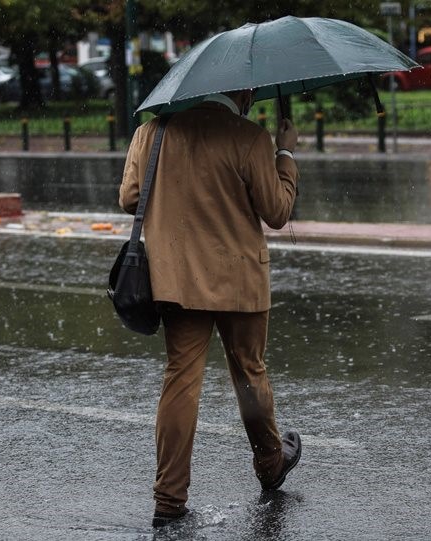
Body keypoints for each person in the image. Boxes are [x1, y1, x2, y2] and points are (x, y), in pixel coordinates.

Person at [118, 88, 302, 529]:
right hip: (240, 278)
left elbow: (128, 199)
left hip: (177, 277)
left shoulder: (151, 132)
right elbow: (277, 211)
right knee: (248, 372)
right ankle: (270, 463)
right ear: (240, 91)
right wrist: (285, 154)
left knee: (181, 378)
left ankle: (169, 498)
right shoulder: (250, 137)